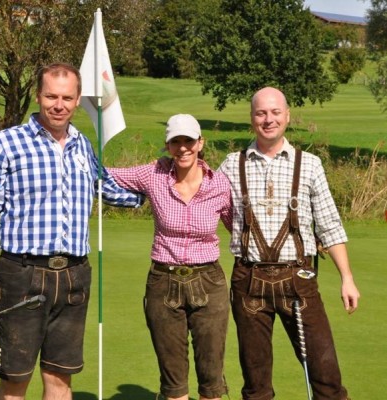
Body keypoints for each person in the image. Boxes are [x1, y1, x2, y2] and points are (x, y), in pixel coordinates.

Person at [0, 62, 144, 400]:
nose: (58, 104)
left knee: (60, 381)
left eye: (67, 97)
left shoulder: (83, 145)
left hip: (75, 275)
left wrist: (155, 190)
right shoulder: (6, 144)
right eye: (51, 96)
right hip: (21, 275)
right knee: (15, 381)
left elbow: (102, 186)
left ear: (78, 101)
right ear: (38, 96)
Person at [218, 87, 360, 400]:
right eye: (261, 113)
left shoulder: (309, 164)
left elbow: (329, 225)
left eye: (275, 112)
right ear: (252, 118)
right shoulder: (231, 165)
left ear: (287, 116)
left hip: (300, 280)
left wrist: (347, 279)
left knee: (327, 378)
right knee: (256, 386)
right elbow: (204, 205)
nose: (268, 120)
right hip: (248, 281)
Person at [108, 114, 233, 400]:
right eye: (175, 141)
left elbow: (239, 230)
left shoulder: (220, 184)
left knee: (212, 383)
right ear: (167, 145)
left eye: (188, 140)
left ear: (200, 143)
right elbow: (106, 175)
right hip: (163, 282)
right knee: (173, 383)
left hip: (209, 282)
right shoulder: (153, 175)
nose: (182, 148)